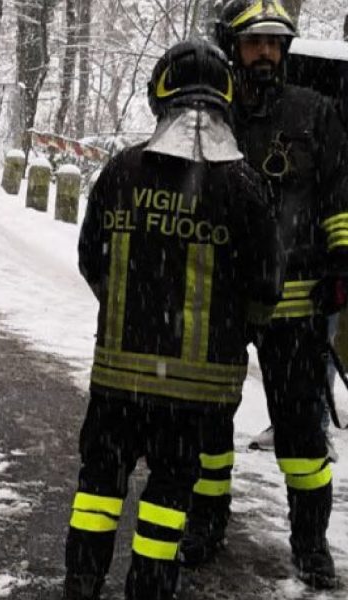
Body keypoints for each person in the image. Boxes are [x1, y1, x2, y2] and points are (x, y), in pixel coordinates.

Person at [64, 39, 283, 600]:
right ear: (227, 99)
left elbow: (91, 261)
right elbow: (267, 288)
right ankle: (150, 587)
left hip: (117, 381)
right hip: (197, 395)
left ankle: (82, 582)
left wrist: (130, 315)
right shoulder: (245, 187)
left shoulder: (121, 170)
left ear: (159, 94)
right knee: (168, 497)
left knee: (98, 487)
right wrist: (229, 331)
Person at [180, 0, 348, 589]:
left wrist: (342, 262)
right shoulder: (208, 114)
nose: (267, 54)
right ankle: (206, 525)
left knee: (301, 436)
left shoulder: (315, 112)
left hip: (296, 306)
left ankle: (310, 544)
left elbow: (339, 193)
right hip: (219, 302)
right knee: (208, 424)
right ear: (234, 48)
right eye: (256, 43)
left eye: (276, 43)